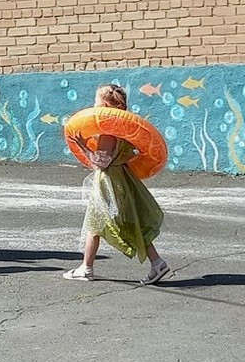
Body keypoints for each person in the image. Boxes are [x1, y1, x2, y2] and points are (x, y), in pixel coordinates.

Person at [62, 84, 170, 284]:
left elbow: (101, 162)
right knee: (124, 222)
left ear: (103, 105)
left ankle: (87, 268)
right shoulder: (124, 131)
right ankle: (156, 262)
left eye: (96, 101)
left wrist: (82, 144)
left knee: (96, 222)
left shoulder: (107, 133)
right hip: (123, 179)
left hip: (109, 181)